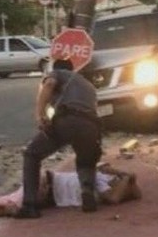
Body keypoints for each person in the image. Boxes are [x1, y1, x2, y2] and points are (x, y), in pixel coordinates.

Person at [0, 164, 142, 237]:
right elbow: (120, 194)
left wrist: (125, 176)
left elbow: (127, 195)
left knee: (6, 208)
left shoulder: (106, 185)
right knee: (4, 207)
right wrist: (123, 174)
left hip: (50, 194)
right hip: (47, 184)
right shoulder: (99, 179)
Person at [18, 57, 102, 217]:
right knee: (86, 159)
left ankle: (30, 205)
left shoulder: (57, 73)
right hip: (92, 125)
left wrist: (40, 115)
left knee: (31, 154)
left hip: (69, 118)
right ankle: (87, 192)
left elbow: (49, 85)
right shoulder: (88, 85)